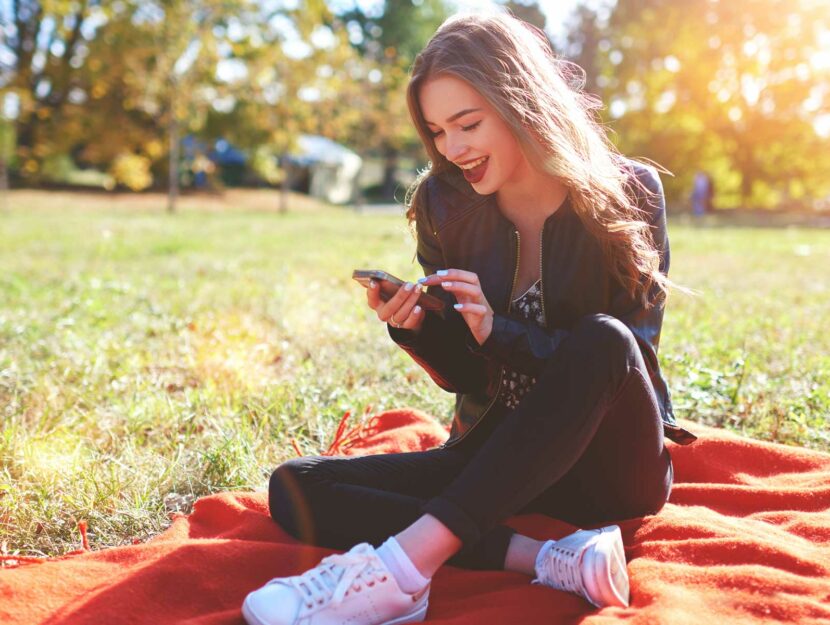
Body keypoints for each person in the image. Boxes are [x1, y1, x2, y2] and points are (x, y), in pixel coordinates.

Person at [242, 12, 697, 625]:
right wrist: (416, 327)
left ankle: (401, 573)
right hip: (496, 454)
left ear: (522, 103)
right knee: (297, 485)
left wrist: (500, 332)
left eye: (468, 124)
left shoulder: (629, 191)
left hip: (610, 468)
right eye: (437, 131)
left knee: (604, 337)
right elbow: (465, 378)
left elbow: (628, 360)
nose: (453, 150)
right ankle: (546, 558)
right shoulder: (444, 203)